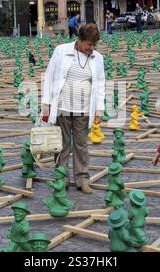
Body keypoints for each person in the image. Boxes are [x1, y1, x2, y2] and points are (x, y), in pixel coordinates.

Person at [41, 23, 105, 194]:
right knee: (62, 145)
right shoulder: (61, 51)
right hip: (62, 107)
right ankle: (62, 177)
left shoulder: (98, 58)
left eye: (94, 45)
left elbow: (100, 84)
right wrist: (46, 103)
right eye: (89, 45)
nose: (92, 48)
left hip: (84, 109)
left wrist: (99, 108)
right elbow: (50, 76)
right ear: (80, 40)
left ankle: (82, 179)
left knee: (81, 145)